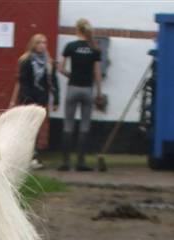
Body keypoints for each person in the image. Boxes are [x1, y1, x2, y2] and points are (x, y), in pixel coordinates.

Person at [9, 34, 60, 170]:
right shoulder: (26, 61)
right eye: (39, 43)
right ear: (33, 44)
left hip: (41, 98)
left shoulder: (49, 63)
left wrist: (56, 99)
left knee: (37, 127)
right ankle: (26, 156)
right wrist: (22, 98)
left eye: (44, 43)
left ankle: (34, 155)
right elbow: (22, 81)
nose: (42, 45)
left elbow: (53, 82)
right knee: (27, 127)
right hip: (28, 98)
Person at [59, 18, 103, 171]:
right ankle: (81, 162)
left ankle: (65, 162)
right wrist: (99, 92)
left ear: (77, 30)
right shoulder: (94, 49)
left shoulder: (70, 46)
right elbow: (97, 73)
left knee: (68, 124)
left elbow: (61, 68)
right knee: (85, 124)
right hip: (87, 89)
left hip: (73, 88)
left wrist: (71, 75)